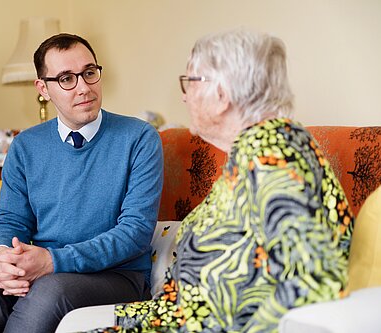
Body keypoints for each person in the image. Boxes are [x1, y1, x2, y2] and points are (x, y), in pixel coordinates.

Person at [80, 29, 354, 332]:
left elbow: (313, 281)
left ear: (222, 95)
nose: (184, 96)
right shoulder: (256, 152)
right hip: (179, 316)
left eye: (190, 82)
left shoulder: (275, 159)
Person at [0, 33, 164, 333]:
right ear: (43, 88)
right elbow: (10, 218)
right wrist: (0, 256)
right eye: (66, 79)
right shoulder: (25, 146)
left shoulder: (140, 138)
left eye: (89, 73)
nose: (84, 87)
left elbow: (135, 233)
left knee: (49, 293)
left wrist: (52, 261)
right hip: (45, 271)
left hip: (116, 276)